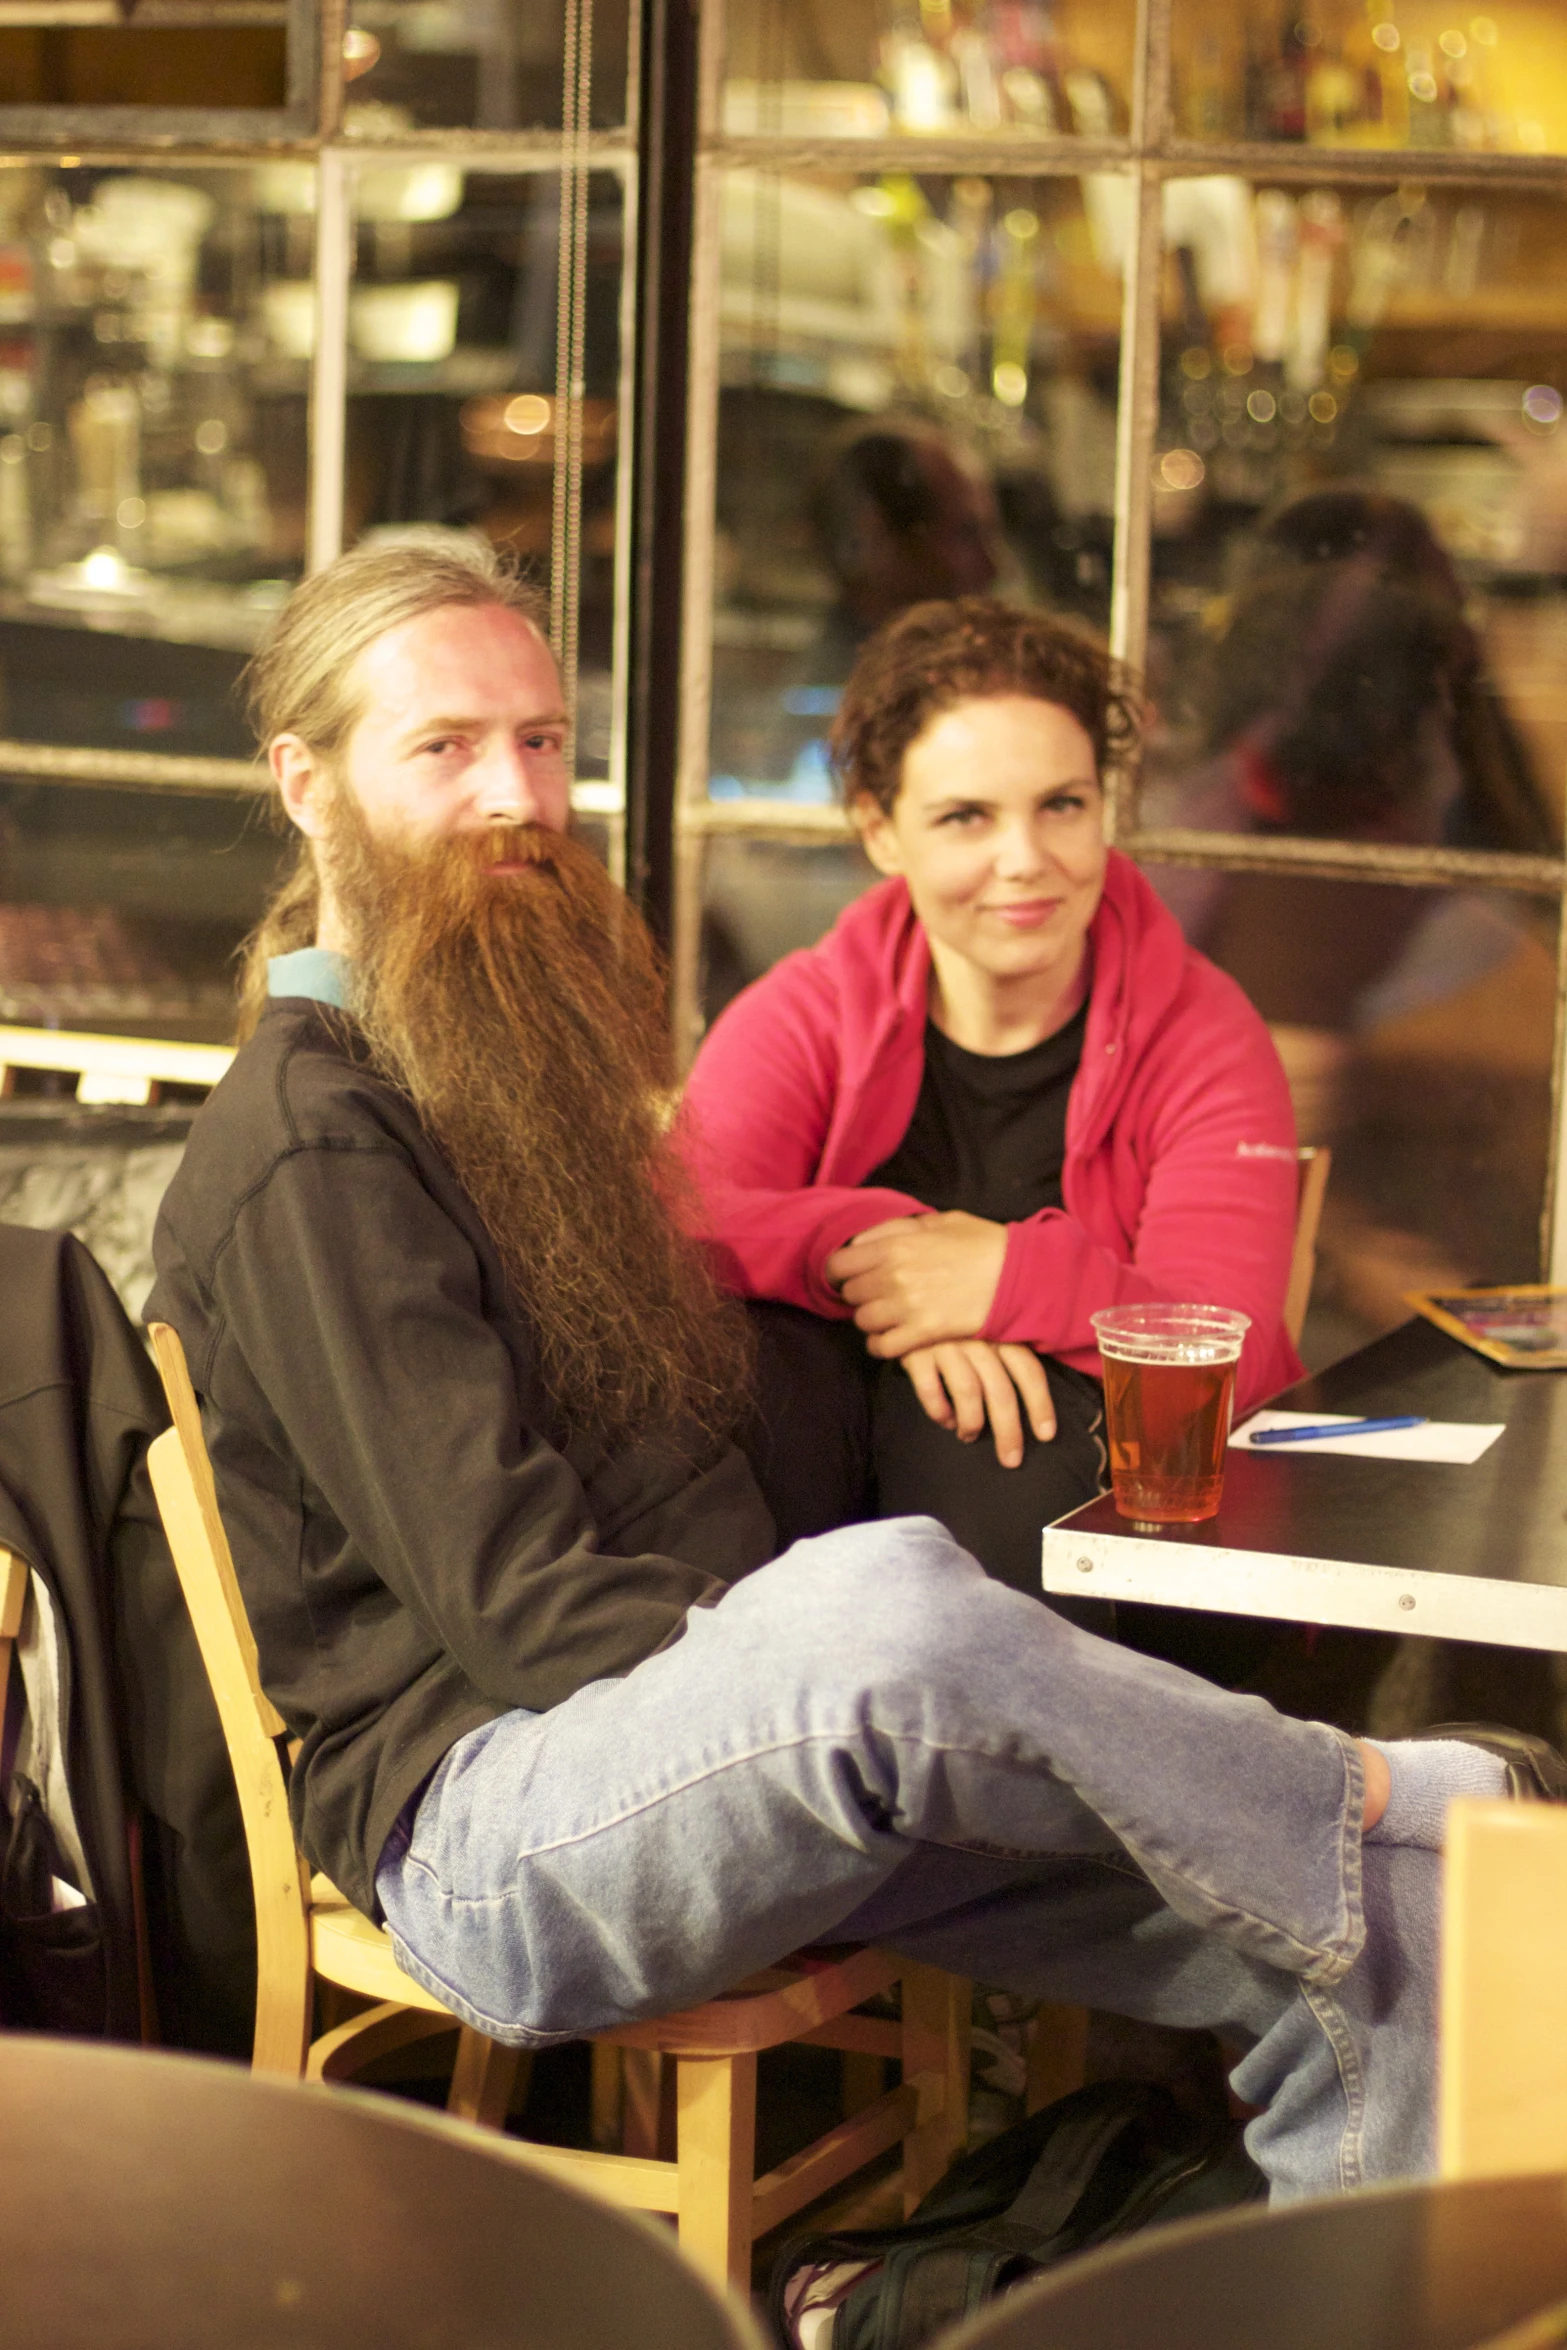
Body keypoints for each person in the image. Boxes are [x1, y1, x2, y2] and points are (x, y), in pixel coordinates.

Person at [146, 538, 1562, 2208]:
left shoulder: (497, 1074)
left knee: (1396, 1946)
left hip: (733, 1759)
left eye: (539, 739)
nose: (515, 793)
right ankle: (1380, 1787)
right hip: (487, 1829)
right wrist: (846, 1694)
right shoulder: (317, 1142)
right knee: (884, 1599)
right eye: (444, 748)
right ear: (306, 787)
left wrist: (863, 1711)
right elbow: (527, 1611)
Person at [682, 595, 1301, 1607]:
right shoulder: (812, 1006)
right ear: (881, 831)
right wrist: (899, 1264)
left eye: (1061, 804)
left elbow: (1234, 1349)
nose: (1026, 858)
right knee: (757, 1389)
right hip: (834, 1518)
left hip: (1105, 1558)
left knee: (983, 1454)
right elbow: (673, 1222)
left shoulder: (1202, 1030)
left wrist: (1008, 1278)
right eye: (966, 815)